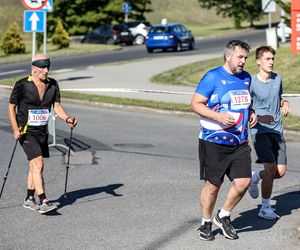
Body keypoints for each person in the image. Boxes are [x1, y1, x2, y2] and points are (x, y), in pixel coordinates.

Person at [191, 40, 257, 241]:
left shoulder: (246, 78)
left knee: (243, 182)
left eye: (245, 57)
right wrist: (217, 116)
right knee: (213, 184)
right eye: (240, 57)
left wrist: (251, 112)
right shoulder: (212, 77)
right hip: (213, 140)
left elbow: (246, 102)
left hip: (240, 141)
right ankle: (206, 222)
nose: (243, 61)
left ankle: (224, 214)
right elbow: (195, 104)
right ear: (228, 56)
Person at [7, 54, 78, 214]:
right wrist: (14, 128)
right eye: (43, 67)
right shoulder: (22, 85)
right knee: (38, 163)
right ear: (34, 68)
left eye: (48, 67)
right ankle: (44, 200)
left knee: (34, 166)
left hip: (41, 132)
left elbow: (57, 106)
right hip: (26, 132)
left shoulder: (53, 85)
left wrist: (67, 118)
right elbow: (11, 107)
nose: (46, 70)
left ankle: (29, 199)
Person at [248, 46, 291, 220]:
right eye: (267, 59)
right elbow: (245, 105)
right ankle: (265, 207)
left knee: (280, 172)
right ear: (258, 61)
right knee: (271, 169)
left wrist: (285, 102)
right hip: (259, 131)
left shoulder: (278, 78)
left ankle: (256, 176)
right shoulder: (250, 82)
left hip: (277, 131)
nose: (271, 62)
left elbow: (279, 97)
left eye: (272, 59)